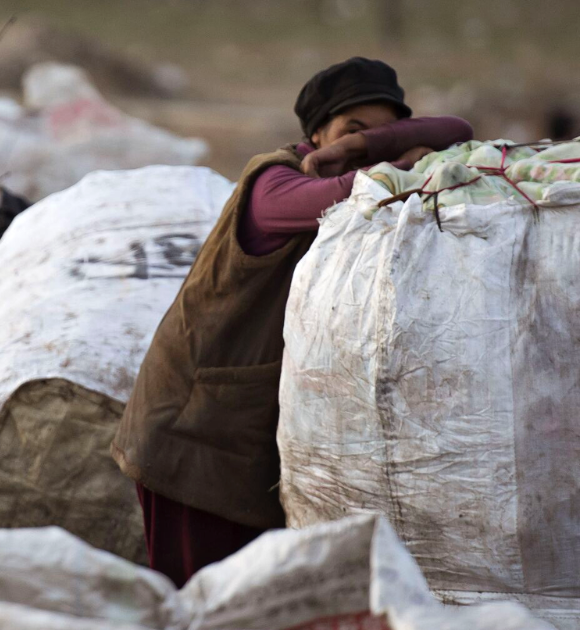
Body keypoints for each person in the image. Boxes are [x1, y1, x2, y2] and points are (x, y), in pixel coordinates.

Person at [111, 57, 473, 586]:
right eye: (352, 128)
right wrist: (395, 162)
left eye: (386, 130)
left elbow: (459, 130)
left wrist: (360, 146)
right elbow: (347, 193)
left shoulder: (362, 168)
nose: (374, 140)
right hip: (192, 427)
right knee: (204, 599)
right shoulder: (273, 186)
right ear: (316, 133)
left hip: (242, 434)